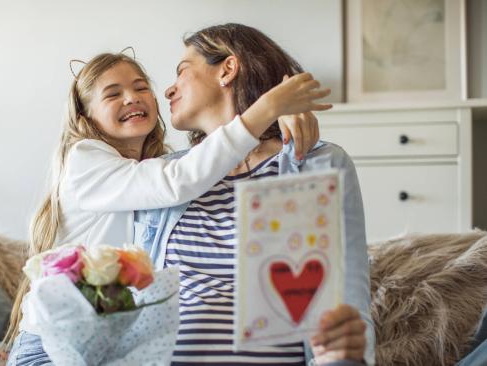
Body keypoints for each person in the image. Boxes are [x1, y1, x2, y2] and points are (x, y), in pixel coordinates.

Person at [5, 48, 331, 364]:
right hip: (52, 345)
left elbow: (191, 169)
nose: (131, 97)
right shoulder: (85, 160)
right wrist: (267, 109)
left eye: (141, 87)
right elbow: (180, 179)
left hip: (104, 347)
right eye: (112, 94)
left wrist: (282, 121)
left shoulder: (152, 171)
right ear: (86, 115)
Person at [133, 23, 374, 365]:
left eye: (182, 72)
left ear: (227, 69)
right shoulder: (162, 176)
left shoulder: (319, 164)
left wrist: (343, 356)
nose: (168, 90)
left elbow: (347, 303)